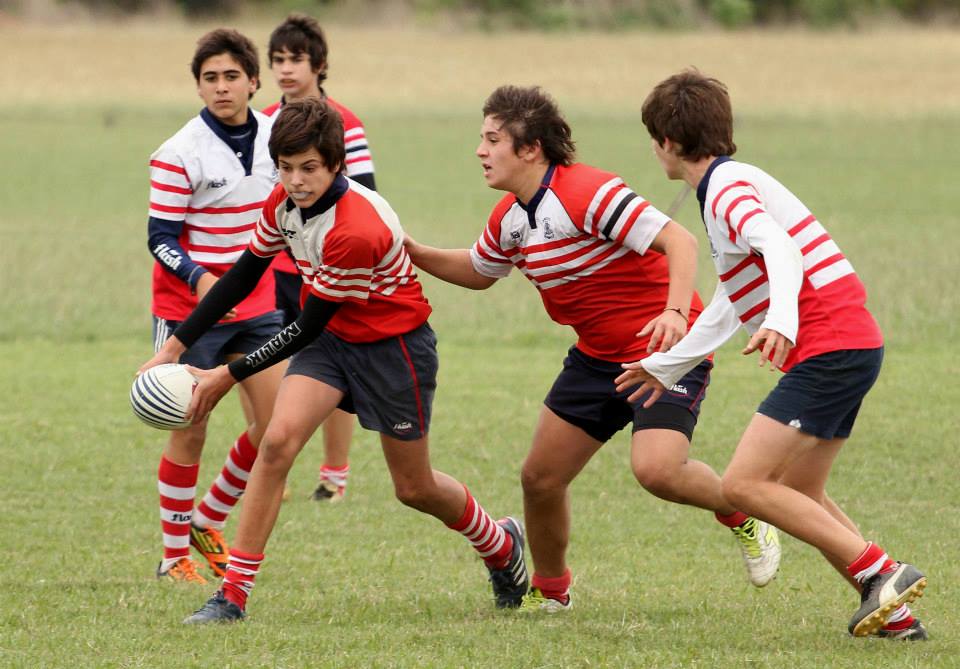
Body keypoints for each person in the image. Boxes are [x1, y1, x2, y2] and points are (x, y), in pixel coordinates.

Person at [139, 98, 527, 623]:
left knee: (414, 488)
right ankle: (231, 597)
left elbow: (305, 325)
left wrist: (226, 375)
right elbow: (242, 275)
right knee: (276, 443)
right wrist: (174, 346)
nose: (296, 181)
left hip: (393, 350)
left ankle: (500, 543)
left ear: (336, 165)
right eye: (286, 168)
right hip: (331, 344)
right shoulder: (282, 201)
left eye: (309, 169)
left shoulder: (355, 230)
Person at [404, 85, 781, 613]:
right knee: (540, 478)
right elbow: (478, 271)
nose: (481, 151)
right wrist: (411, 251)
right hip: (597, 357)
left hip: (662, 351)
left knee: (658, 472)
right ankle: (552, 591)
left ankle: (743, 511)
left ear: (531, 148)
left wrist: (674, 314)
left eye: (492, 140)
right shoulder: (511, 218)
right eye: (481, 140)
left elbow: (681, 241)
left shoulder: (589, 193)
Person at [618, 69, 927, 639]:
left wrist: (783, 321)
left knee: (742, 486)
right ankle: (895, 618)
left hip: (829, 346)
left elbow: (779, 247)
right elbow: (729, 301)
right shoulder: (724, 187)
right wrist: (667, 366)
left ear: (665, 141)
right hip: (852, 343)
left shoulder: (728, 188)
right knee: (798, 491)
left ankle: (882, 571)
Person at [145, 28, 286, 584]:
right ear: (198, 86)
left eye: (232, 77)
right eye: (210, 78)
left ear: (254, 81)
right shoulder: (178, 152)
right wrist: (200, 278)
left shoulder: (280, 137)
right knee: (191, 425)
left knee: (278, 426)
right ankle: (173, 556)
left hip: (258, 302)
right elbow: (159, 235)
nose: (222, 87)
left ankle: (208, 518)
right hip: (188, 309)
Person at [261, 13, 377, 502]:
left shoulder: (346, 123)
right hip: (276, 270)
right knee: (271, 368)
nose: (286, 69)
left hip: (328, 269)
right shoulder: (263, 119)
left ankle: (335, 474)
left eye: (296, 59)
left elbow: (367, 193)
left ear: (320, 64)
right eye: (278, 60)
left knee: (332, 369)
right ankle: (275, 471)